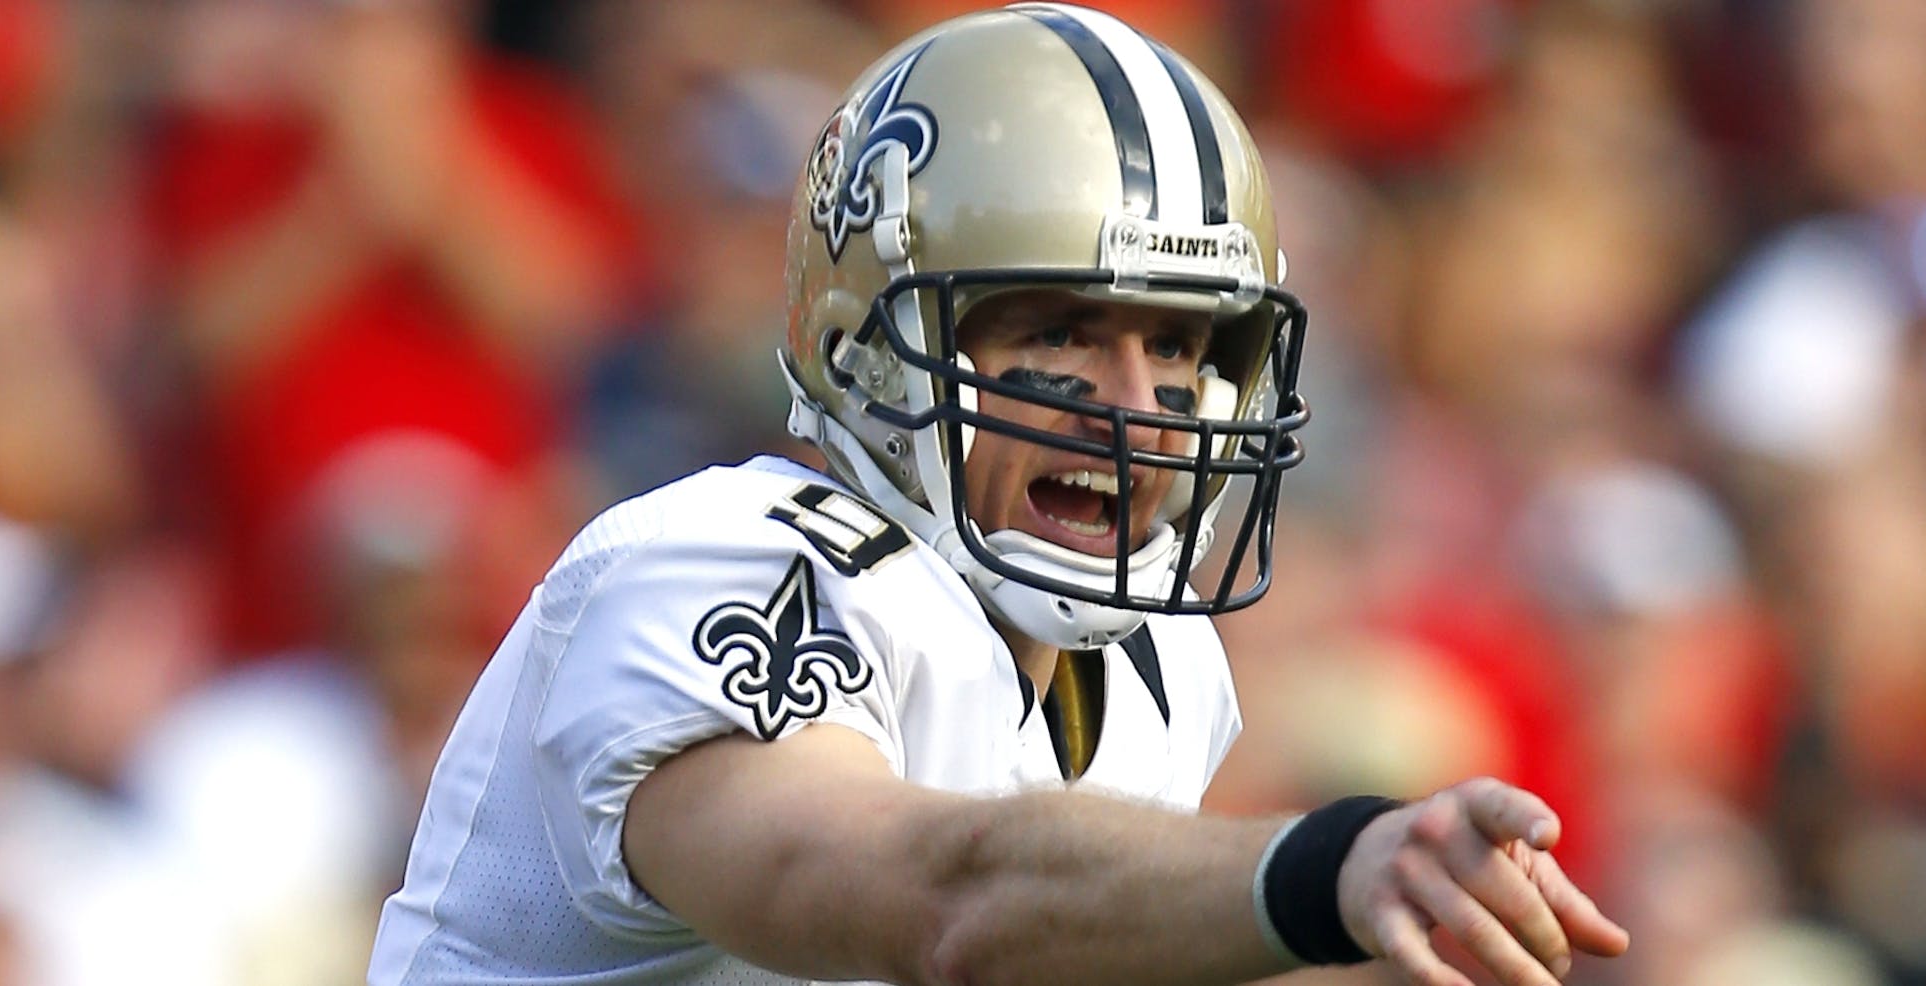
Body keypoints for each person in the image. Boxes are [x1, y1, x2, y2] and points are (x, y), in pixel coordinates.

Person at [367, 5, 1629, 985]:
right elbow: (936, 896)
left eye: (1182, 345)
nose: (1136, 405)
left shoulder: (1157, 671)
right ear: (868, 349)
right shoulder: (717, 564)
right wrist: (1319, 867)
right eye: (1062, 332)